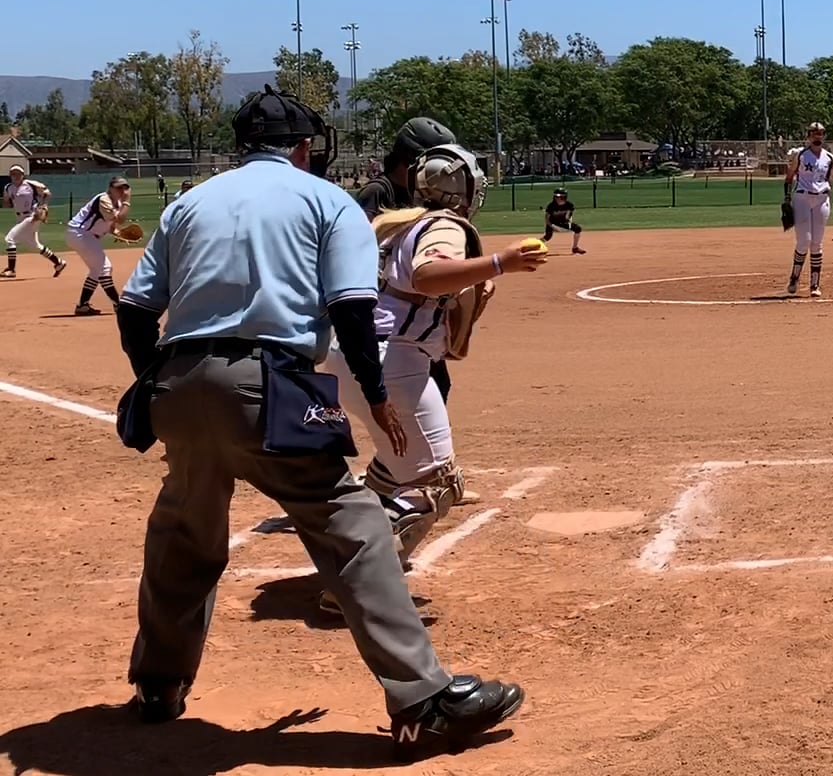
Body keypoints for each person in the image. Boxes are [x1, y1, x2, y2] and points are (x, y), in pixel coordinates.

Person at [112, 87, 523, 757]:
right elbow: (353, 309)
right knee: (351, 522)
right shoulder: (327, 200)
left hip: (179, 382)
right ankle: (422, 701)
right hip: (276, 379)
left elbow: (135, 309)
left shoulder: (188, 203)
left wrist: (151, 382)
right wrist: (376, 395)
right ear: (304, 147)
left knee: (183, 532)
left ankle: (158, 686)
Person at [318, 144, 545, 615]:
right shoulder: (443, 226)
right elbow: (428, 276)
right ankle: (356, 585)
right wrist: (500, 263)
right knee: (435, 483)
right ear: (462, 187)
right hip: (393, 361)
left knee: (392, 465)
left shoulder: (395, 224)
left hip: (351, 354)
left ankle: (349, 553)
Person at [358, 118, 461, 407]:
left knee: (438, 383)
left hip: (419, 315)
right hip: (387, 315)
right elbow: (358, 249)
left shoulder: (426, 194)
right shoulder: (378, 192)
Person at [67, 176, 133, 316]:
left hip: (85, 235)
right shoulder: (104, 199)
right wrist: (127, 201)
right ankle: (118, 304)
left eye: (125, 187)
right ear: (110, 189)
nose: (122, 190)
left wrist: (118, 234)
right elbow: (120, 219)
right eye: (118, 188)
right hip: (80, 234)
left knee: (96, 270)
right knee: (104, 268)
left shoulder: (117, 203)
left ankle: (83, 305)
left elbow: (112, 224)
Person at [786, 121, 833, 298]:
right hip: (802, 198)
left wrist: (828, 197)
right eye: (814, 133)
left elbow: (831, 179)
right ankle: (794, 278)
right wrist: (786, 199)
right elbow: (789, 177)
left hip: (821, 199)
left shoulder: (829, 157)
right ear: (808, 137)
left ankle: (814, 284)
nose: (817, 136)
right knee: (804, 241)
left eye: (820, 133)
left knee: (817, 243)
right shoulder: (801, 155)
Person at [4, 165, 66, 279]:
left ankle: (11, 269)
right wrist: (8, 202)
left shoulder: (31, 184)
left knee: (10, 238)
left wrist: (44, 206)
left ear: (23, 175)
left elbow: (47, 193)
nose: (16, 176)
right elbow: (7, 202)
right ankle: (59, 262)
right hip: (20, 217)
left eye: (18, 173)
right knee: (34, 246)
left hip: (32, 216)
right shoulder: (8, 187)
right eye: (13, 173)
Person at [543, 188, 585, 254]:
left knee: (578, 229)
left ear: (564, 197)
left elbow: (569, 215)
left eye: (559, 197)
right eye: (556, 196)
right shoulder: (551, 206)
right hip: (552, 223)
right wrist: (553, 227)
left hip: (563, 222)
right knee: (547, 237)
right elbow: (547, 219)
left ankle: (575, 248)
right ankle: (534, 246)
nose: (557, 198)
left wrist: (569, 222)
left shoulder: (569, 205)